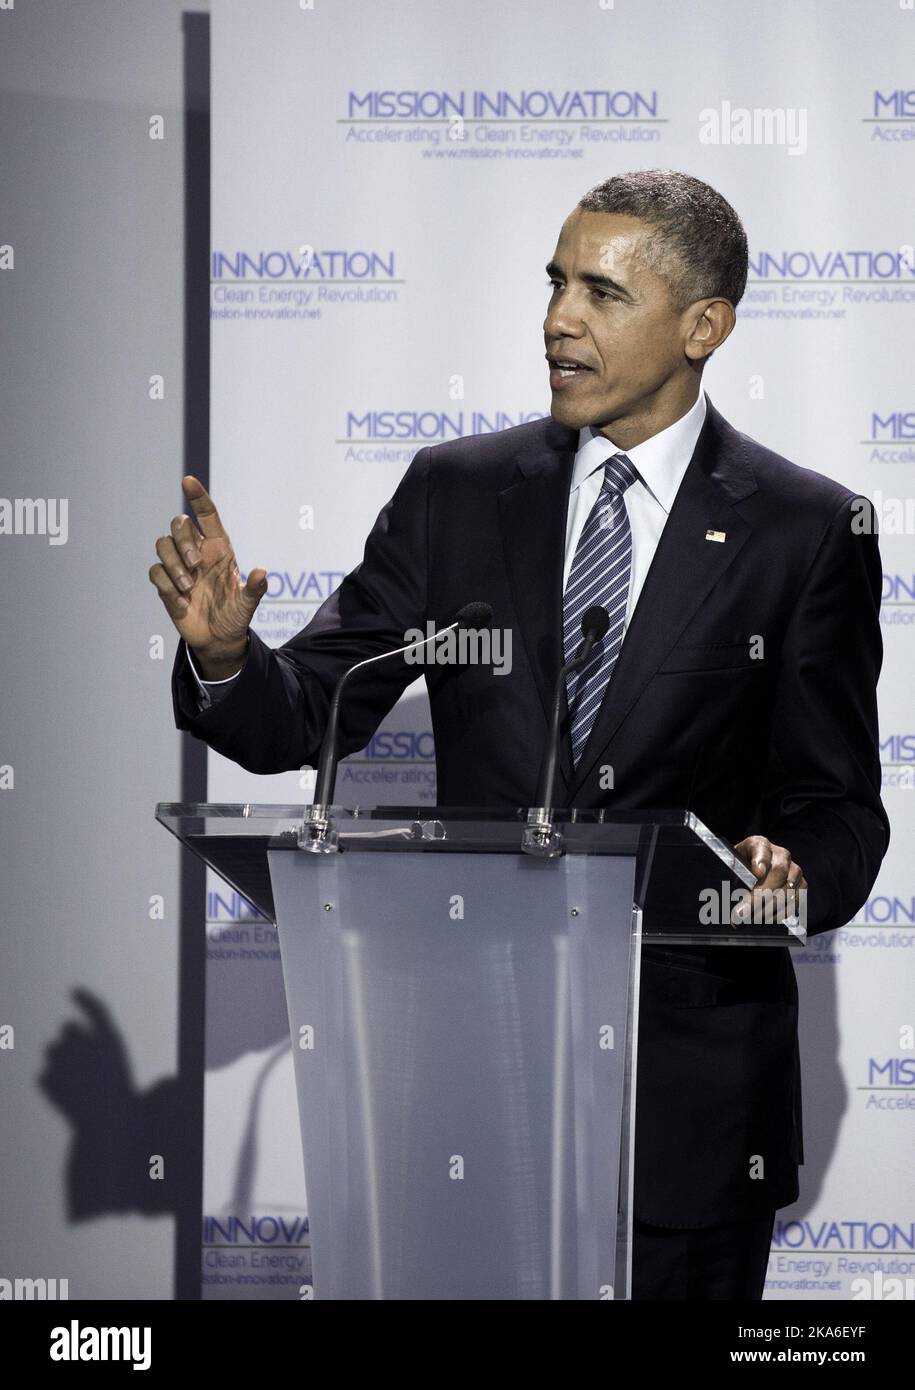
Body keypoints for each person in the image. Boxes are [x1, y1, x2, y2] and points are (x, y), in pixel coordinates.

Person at [150, 169, 888, 1299]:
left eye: (601, 291)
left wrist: (781, 874)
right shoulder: (457, 492)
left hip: (685, 1118)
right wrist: (224, 658)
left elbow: (835, 808)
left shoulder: (803, 529)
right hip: (467, 1094)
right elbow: (309, 706)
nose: (558, 319)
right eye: (554, 283)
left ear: (705, 326)